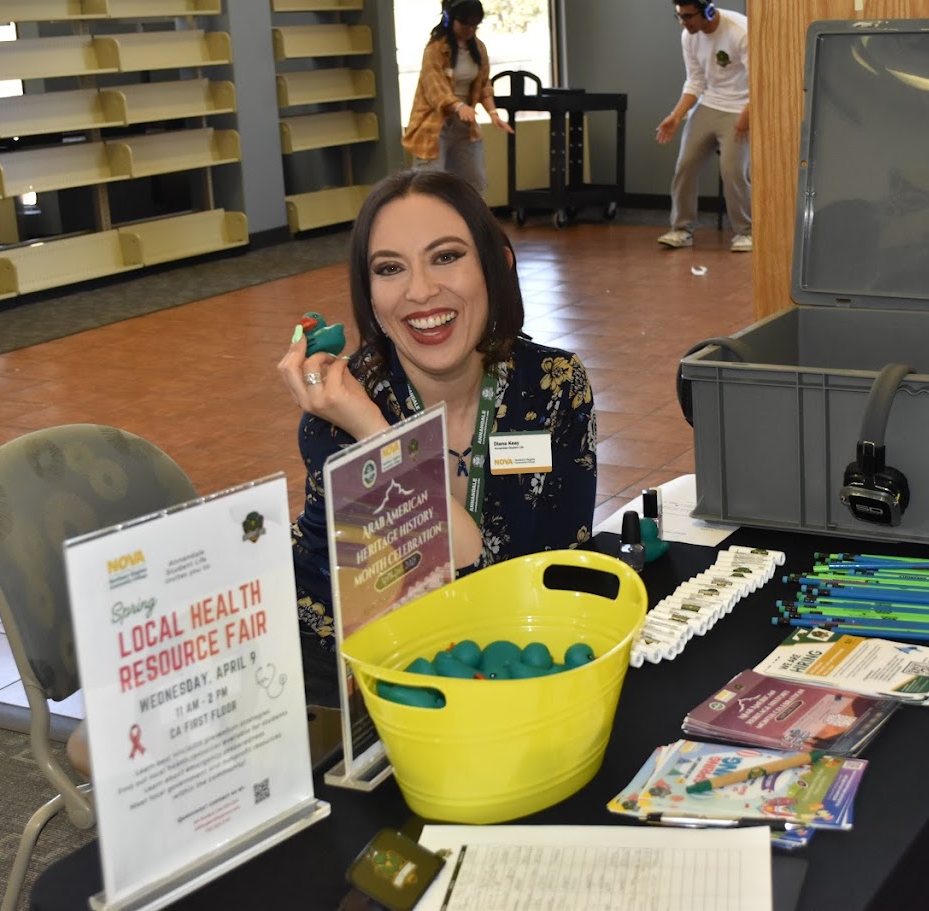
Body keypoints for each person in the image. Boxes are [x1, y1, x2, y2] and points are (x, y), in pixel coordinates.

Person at [277, 169, 597, 705]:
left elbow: (558, 572)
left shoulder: (554, 386)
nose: (420, 291)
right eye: (389, 268)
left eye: (446, 256)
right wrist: (371, 431)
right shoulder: (339, 415)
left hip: (489, 665)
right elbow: (453, 573)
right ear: (370, 294)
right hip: (338, 672)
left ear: (499, 263)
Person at [655, 0, 752, 253]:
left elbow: (761, 80)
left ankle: (746, 232)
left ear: (707, 11)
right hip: (709, 104)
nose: (684, 23)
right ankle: (681, 230)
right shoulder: (689, 36)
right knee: (685, 166)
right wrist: (676, 116)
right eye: (679, 17)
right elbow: (695, 81)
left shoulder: (740, 31)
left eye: (688, 16)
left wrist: (746, 116)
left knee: (732, 171)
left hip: (742, 108)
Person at [401, 0, 513, 194]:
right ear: (450, 20)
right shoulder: (435, 49)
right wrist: (459, 107)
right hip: (434, 126)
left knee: (474, 182)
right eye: (465, 24)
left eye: (474, 25)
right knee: (431, 185)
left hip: (465, 125)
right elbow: (436, 89)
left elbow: (484, 84)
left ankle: (471, 223)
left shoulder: (478, 48)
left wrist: (493, 113)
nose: (470, 30)